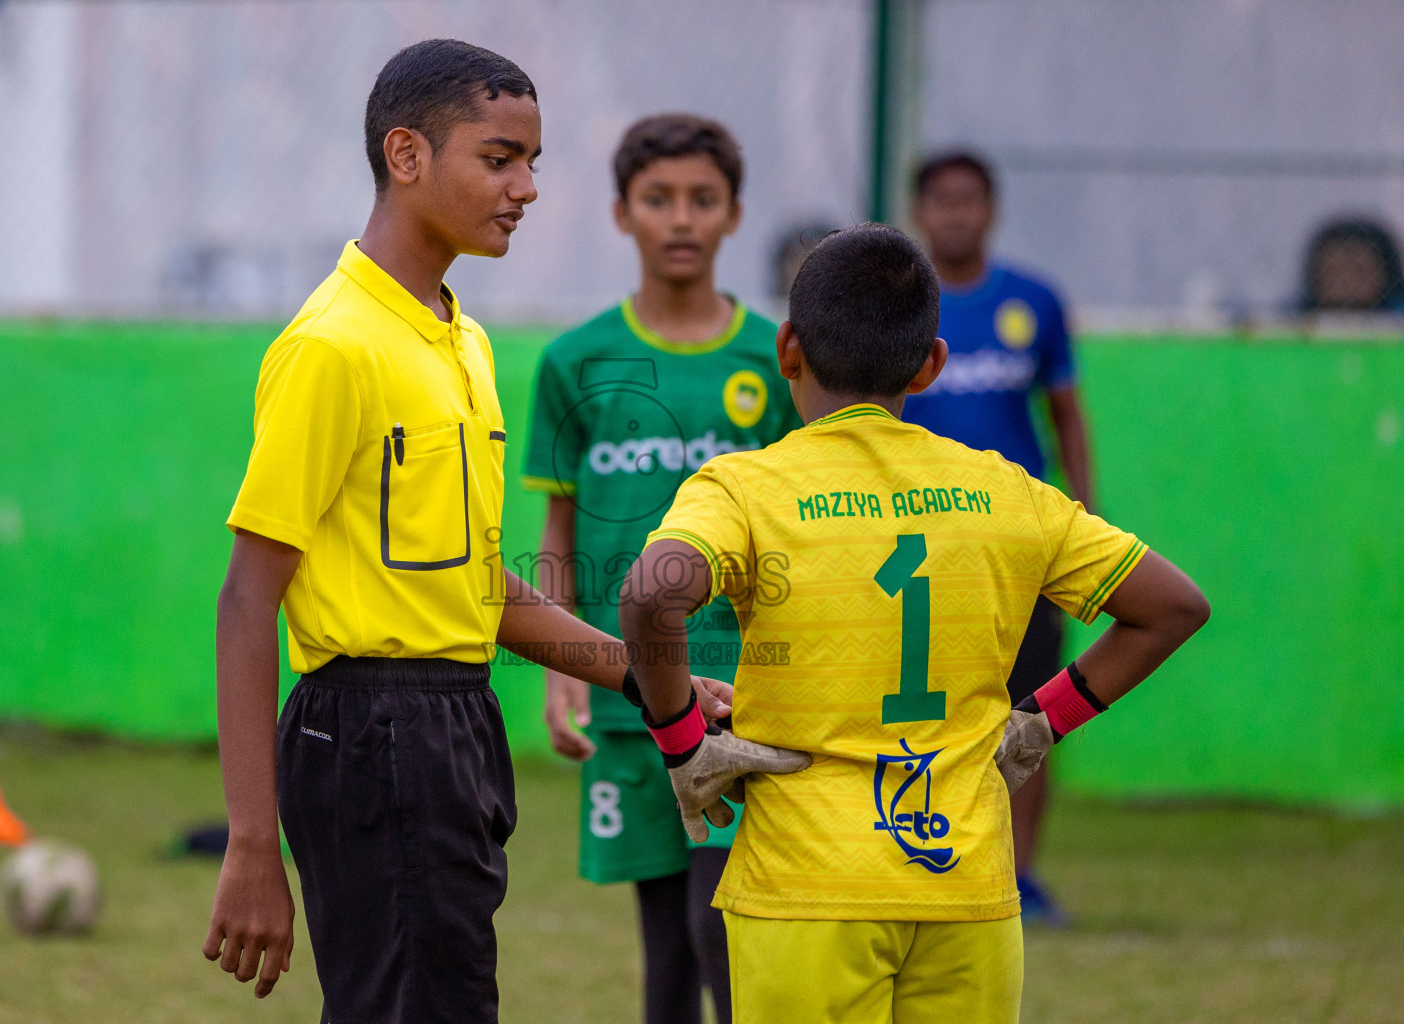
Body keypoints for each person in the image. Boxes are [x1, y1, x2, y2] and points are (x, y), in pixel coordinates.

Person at [200, 41, 786, 1023]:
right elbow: (246, 599)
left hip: (455, 723)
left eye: (534, 162)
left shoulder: (460, 338)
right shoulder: (332, 345)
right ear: (406, 154)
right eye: (500, 157)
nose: (527, 188)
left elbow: (477, 586)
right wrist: (253, 842)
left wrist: (647, 681)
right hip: (370, 727)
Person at [619, 223, 1209, 1023]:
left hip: (804, 884)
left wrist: (684, 745)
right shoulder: (1007, 489)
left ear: (788, 348)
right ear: (932, 363)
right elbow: (1173, 608)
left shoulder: (742, 487)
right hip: (964, 881)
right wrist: (1040, 721)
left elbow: (652, 596)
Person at [522, 113, 799, 1024]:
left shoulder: (778, 360)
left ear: (733, 216)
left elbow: (802, 525)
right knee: (666, 944)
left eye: (702, 200)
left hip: (742, 689)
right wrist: (563, 676)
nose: (680, 219)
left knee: (717, 917)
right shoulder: (575, 362)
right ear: (621, 214)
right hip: (623, 688)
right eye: (659, 199)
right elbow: (558, 526)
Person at [901, 150, 1092, 923]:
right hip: (915, 554)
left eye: (969, 199)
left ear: (992, 209)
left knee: (1032, 713)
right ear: (919, 212)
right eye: (940, 200)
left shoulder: (1035, 303)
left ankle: (1021, 872)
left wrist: (1085, 519)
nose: (955, 213)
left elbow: (1068, 417)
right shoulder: (899, 306)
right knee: (923, 713)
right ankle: (925, 854)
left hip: (1022, 549)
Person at [1298, 217, 1404, 313]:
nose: (1346, 280)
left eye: (1358, 271)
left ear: (1386, 274)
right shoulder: (1290, 323)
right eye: (1334, 271)